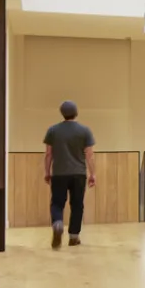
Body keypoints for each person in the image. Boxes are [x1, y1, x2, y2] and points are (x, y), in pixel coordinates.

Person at [44, 100, 95, 249]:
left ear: (62, 113)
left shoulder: (52, 130)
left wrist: (47, 172)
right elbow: (89, 155)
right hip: (79, 174)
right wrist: (93, 174)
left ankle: (58, 223)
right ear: (76, 113)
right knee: (77, 204)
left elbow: (48, 154)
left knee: (57, 203)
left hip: (59, 173)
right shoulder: (85, 131)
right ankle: (74, 237)